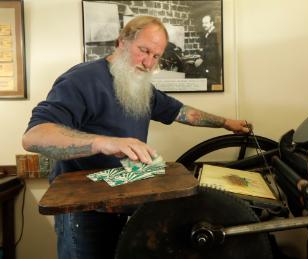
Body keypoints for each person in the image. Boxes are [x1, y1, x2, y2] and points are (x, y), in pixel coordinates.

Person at [22, 16, 251, 259]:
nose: (148, 63)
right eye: (144, 51)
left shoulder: (140, 86)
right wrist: (104, 143)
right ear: (122, 42)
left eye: (156, 56)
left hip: (126, 200)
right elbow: (34, 136)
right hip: (85, 212)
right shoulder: (82, 80)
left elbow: (183, 113)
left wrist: (227, 123)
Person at [194, 14, 222, 89]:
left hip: (213, 69)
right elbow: (208, 49)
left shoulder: (216, 34)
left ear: (212, 23)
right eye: (203, 23)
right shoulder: (207, 34)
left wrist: (202, 58)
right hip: (208, 67)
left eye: (206, 23)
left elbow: (215, 53)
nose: (204, 25)